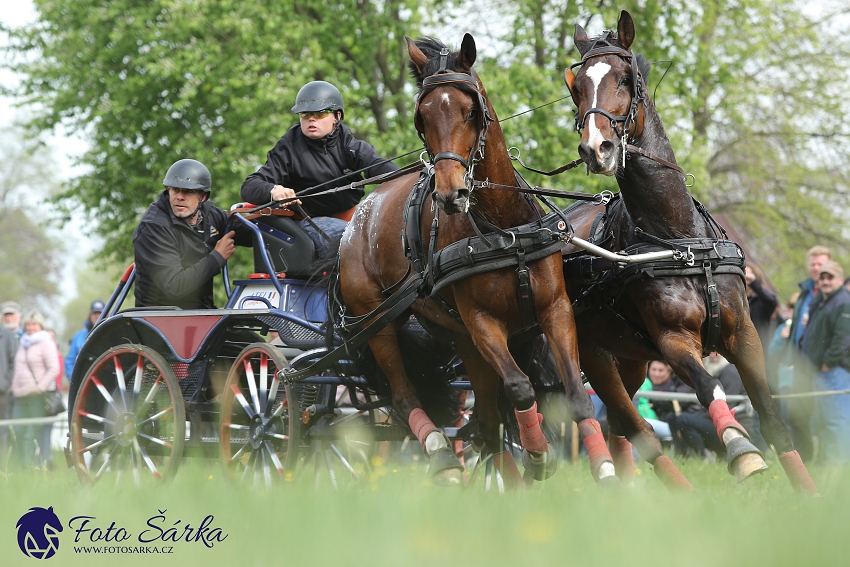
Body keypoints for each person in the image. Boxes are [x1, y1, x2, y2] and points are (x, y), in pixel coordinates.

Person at [240, 80, 400, 260]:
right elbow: (249, 186)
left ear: (337, 117)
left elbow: (380, 167)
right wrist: (274, 190)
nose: (311, 119)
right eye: (305, 113)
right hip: (309, 223)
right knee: (353, 237)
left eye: (320, 113)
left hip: (351, 216)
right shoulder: (289, 148)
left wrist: (408, 178)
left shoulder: (349, 144)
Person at [133, 159, 253, 309]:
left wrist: (278, 213)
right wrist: (217, 257)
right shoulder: (154, 227)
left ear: (203, 197)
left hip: (201, 315)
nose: (180, 197)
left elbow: (254, 235)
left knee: (246, 329)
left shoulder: (211, 216)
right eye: (175, 190)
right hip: (160, 320)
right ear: (168, 190)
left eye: (189, 191)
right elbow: (174, 286)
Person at [779, 245, 832, 462]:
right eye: (813, 264)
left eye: (821, 264)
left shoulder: (835, 293)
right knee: (794, 415)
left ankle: (827, 462)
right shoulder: (804, 292)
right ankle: (805, 460)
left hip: (823, 365)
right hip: (798, 363)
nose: (817, 268)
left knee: (823, 417)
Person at [801, 260, 850, 465]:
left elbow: (844, 337)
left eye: (830, 277)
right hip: (819, 372)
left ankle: (839, 466)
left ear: (840, 279)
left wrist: (828, 363)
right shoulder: (822, 300)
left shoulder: (843, 301)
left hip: (834, 371)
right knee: (823, 420)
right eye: (822, 277)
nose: (826, 281)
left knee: (837, 420)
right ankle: (828, 463)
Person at [11, 311, 60, 468]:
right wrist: (15, 387)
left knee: (33, 434)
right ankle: (19, 467)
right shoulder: (24, 343)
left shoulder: (46, 342)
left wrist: (39, 388)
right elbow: (18, 369)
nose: (30, 327)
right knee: (17, 431)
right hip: (21, 396)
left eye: (34, 324)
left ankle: (33, 467)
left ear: (40, 326)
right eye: (28, 325)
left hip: (37, 396)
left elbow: (54, 368)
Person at [65, 300, 104, 378]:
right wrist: (74, 380)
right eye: (94, 313)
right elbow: (70, 361)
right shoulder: (78, 336)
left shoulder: (110, 334)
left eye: (100, 313)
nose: (97, 315)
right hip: (83, 381)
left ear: (106, 314)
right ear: (90, 315)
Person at [745, 264, 779, 348]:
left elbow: (772, 302)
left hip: (759, 347)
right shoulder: (738, 299)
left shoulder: (761, 300)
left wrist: (753, 282)